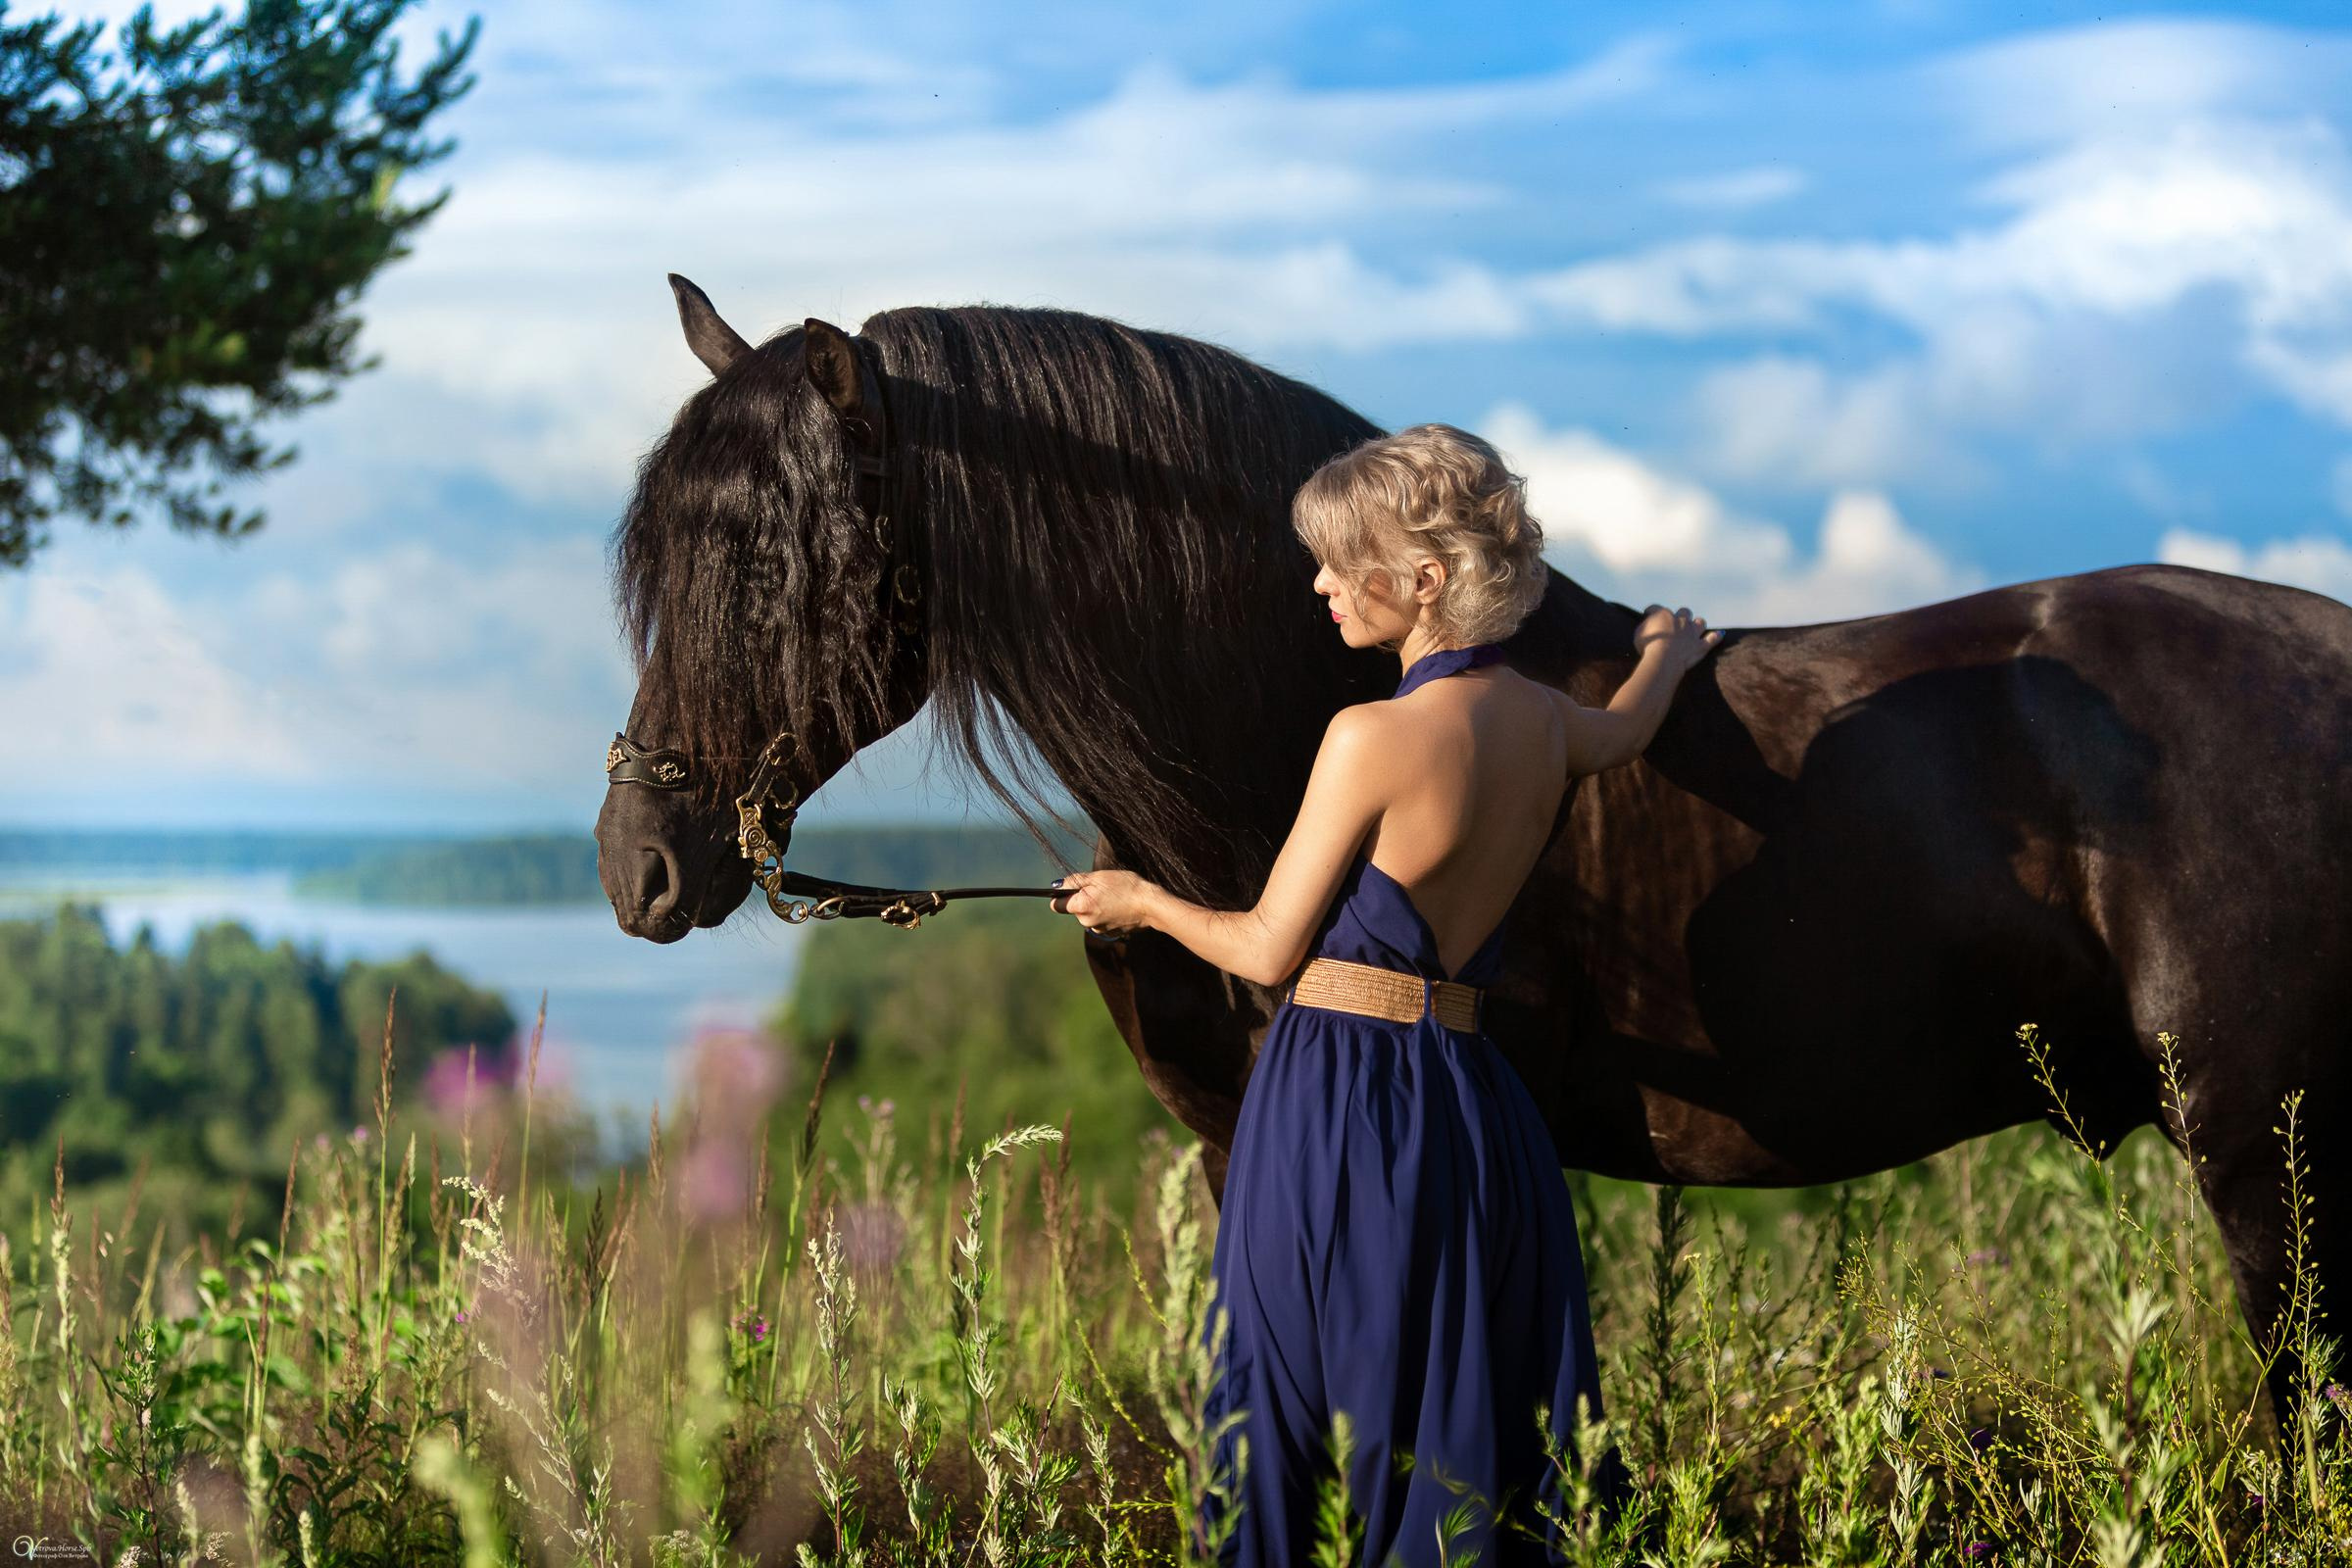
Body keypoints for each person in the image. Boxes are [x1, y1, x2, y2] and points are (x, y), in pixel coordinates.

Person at [1050, 422, 1720, 1566]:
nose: (1317, 583)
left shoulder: (1370, 737)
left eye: (1336, 559)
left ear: (1422, 579)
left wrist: (1140, 901)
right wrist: (1667, 650)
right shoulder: (1549, 724)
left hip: (1338, 1098)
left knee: (1289, 1412)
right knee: (1455, 1415)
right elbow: (1627, 729)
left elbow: (1265, 949)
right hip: (1469, 1102)